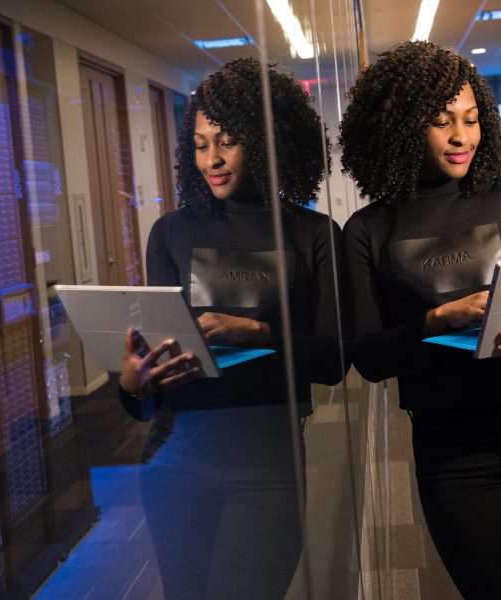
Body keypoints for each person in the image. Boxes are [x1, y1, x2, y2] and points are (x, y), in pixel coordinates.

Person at [340, 41, 501, 599]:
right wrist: (434, 320)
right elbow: (367, 356)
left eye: (472, 119)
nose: (462, 137)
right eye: (441, 122)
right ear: (404, 127)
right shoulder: (367, 229)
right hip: (453, 457)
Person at [118, 56, 344, 599]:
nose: (211, 160)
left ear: (267, 143)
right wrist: (133, 380)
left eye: (227, 142)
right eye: (199, 144)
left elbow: (335, 360)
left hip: (268, 463)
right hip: (175, 458)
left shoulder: (314, 234)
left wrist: (256, 333)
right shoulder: (170, 233)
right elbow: (149, 388)